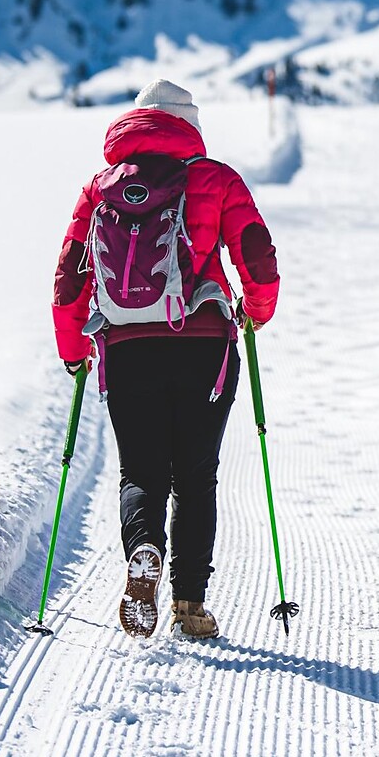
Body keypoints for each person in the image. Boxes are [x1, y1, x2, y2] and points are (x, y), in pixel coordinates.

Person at [52, 79, 281, 641]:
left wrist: (73, 349)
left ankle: (144, 551)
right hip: (205, 347)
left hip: (129, 350)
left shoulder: (99, 189)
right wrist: (255, 311)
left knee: (141, 471)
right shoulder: (216, 179)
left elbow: (69, 278)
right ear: (190, 126)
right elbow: (256, 253)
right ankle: (189, 604)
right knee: (196, 476)